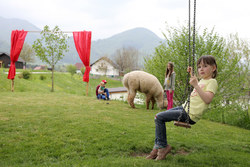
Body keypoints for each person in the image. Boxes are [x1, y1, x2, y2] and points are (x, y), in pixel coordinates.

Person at [146, 55, 218, 161]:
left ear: (213, 68)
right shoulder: (202, 80)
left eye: (205, 66)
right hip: (184, 108)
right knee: (159, 117)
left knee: (159, 117)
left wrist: (196, 86)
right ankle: (157, 148)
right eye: (199, 67)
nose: (201, 69)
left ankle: (162, 147)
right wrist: (192, 73)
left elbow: (207, 99)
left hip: (190, 114)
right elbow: (197, 83)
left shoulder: (212, 82)